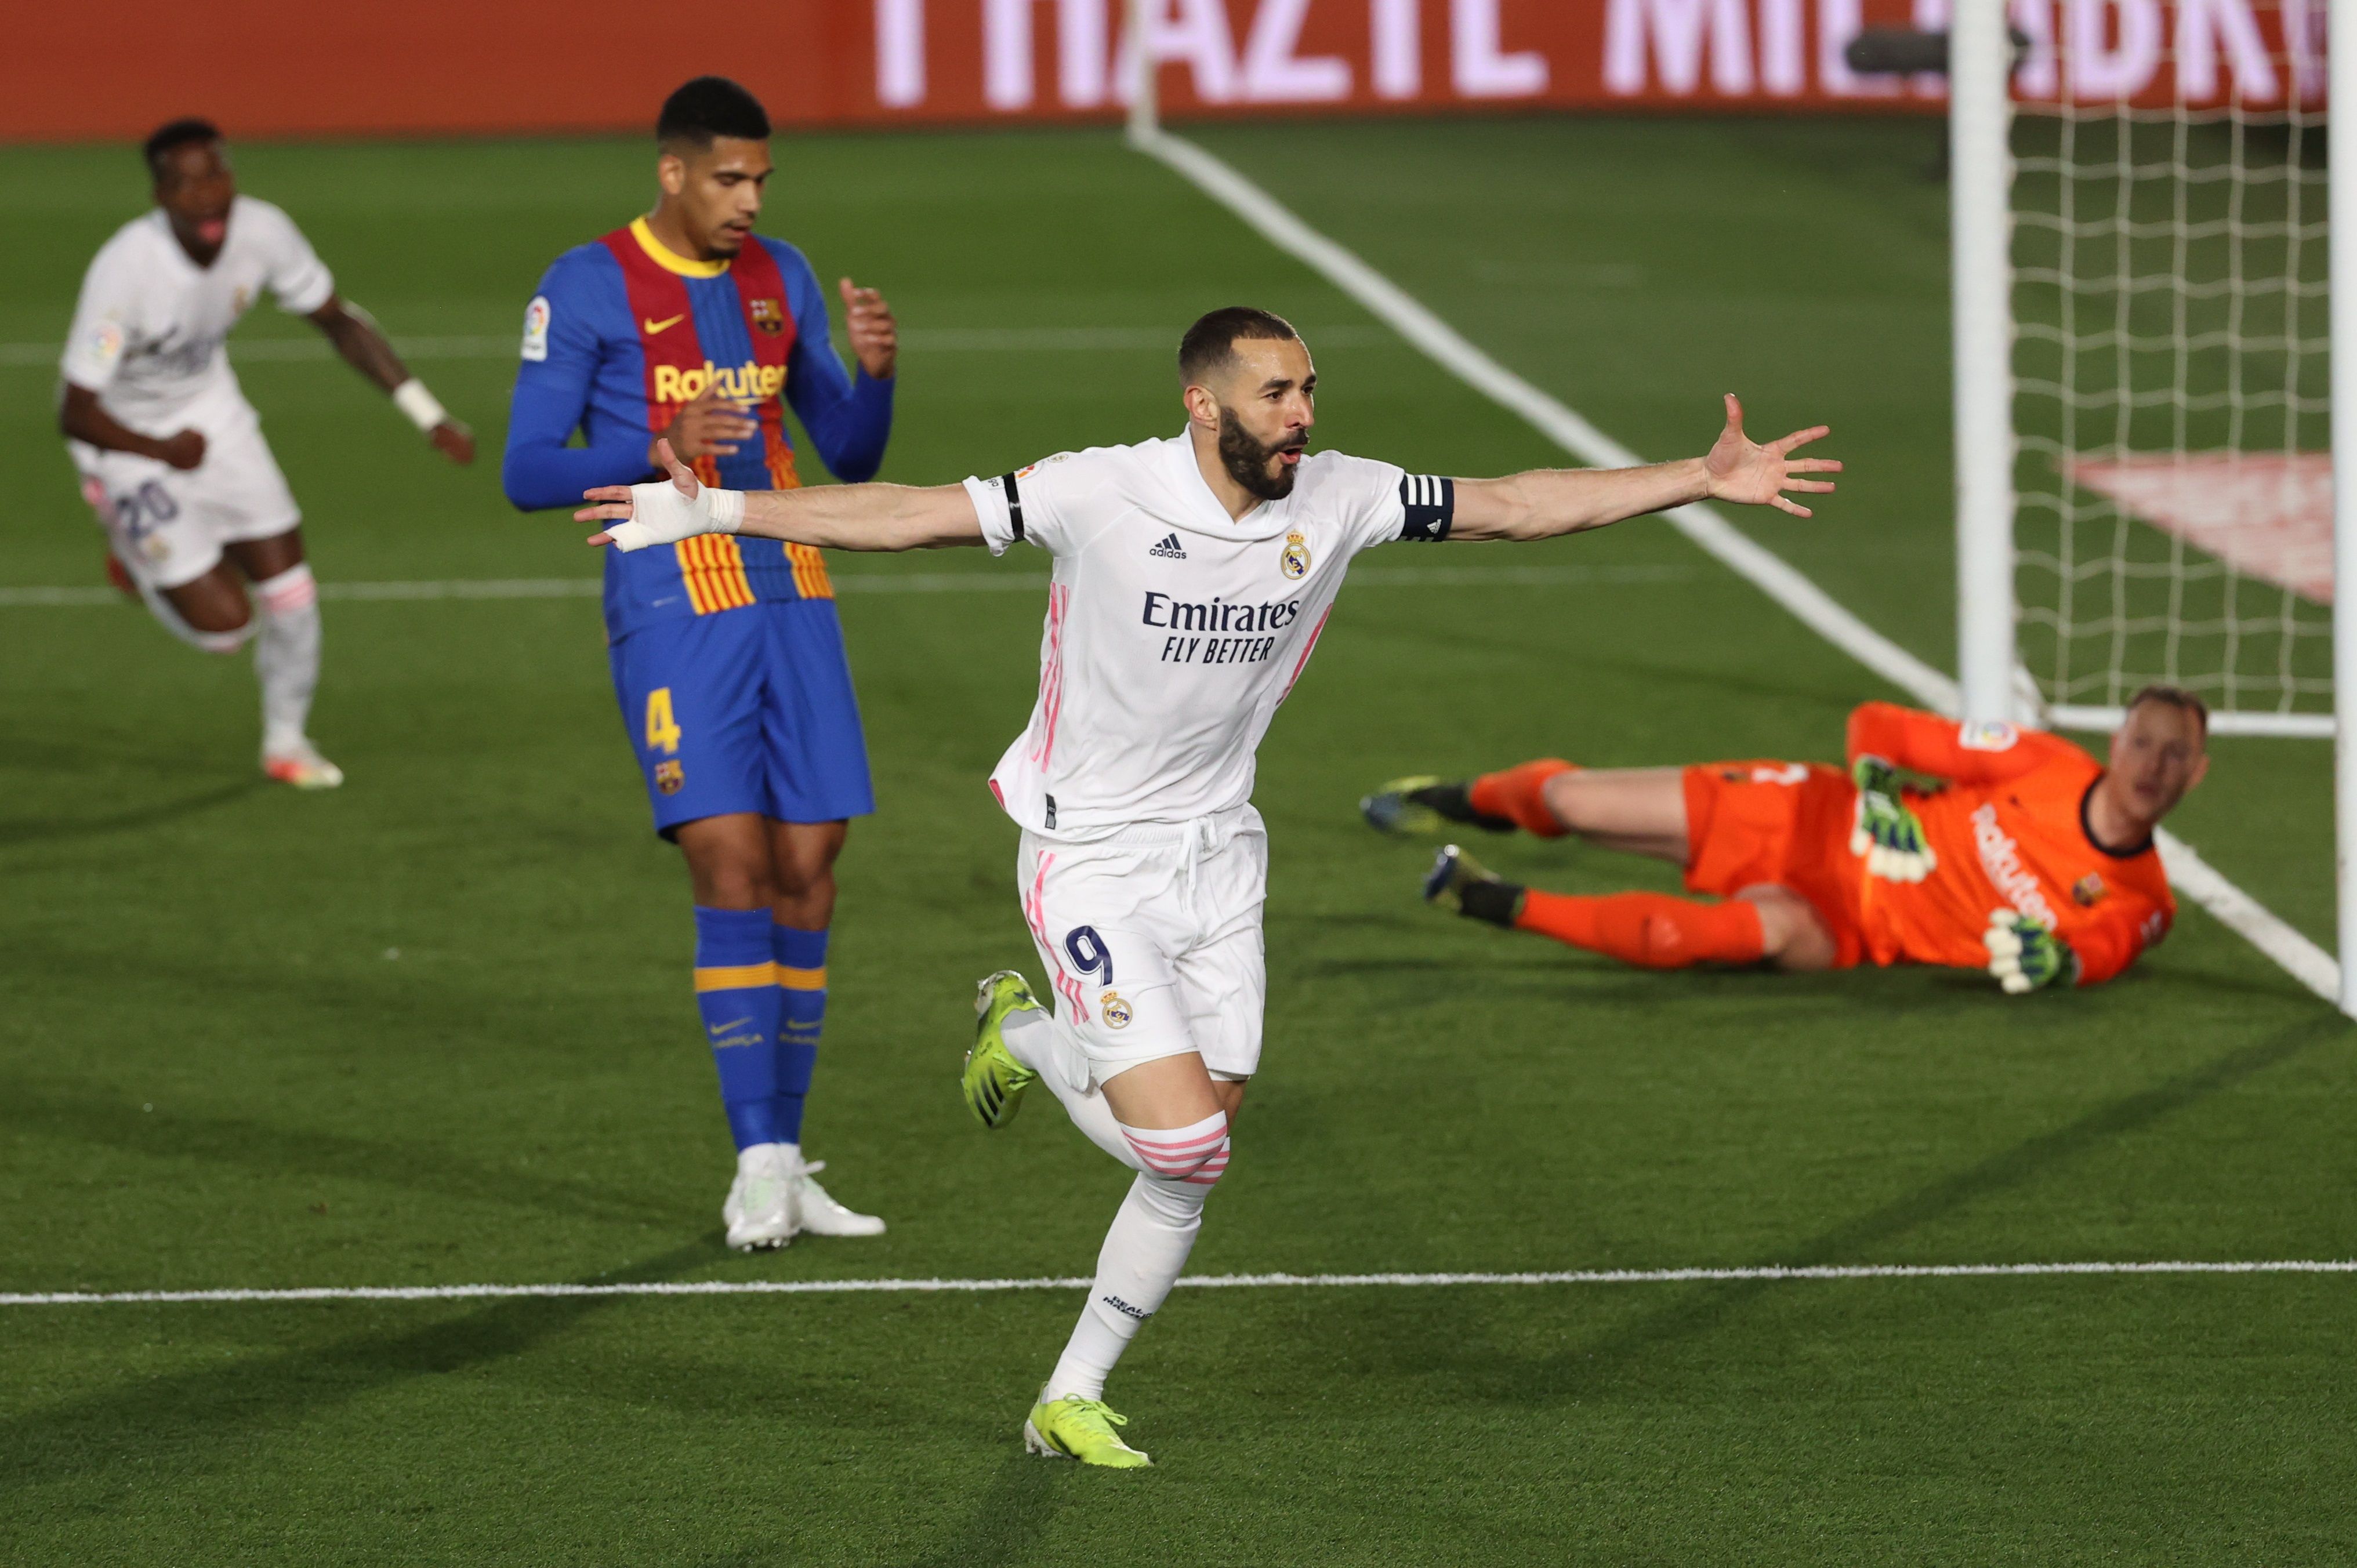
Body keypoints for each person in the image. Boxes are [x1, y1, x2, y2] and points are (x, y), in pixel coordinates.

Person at [575, 305, 1836, 1463]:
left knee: (1192, 1151)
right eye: (1277, 394)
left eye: (1309, 390)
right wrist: (717, 509)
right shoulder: (1100, 490)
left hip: (1220, 854)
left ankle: (1063, 1363)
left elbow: (1515, 503)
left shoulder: (1341, 496)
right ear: (1202, 402)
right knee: (1183, 1140)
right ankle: (1041, 1089)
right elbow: (908, 512)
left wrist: (1697, 476)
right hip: (1088, 855)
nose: (1303, 415)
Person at [501, 78, 898, 1251]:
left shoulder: (783, 276)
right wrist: (652, 445)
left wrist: (876, 374)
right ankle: (755, 1159)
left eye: (761, 179)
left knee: (809, 864)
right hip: (673, 596)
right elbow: (527, 467)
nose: (750, 199)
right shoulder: (587, 283)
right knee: (729, 861)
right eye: (729, 178)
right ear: (672, 172)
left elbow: (849, 450)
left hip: (792, 580)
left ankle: (788, 1155)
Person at [59, 117, 474, 789]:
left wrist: (429, 416)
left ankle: (286, 742)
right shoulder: (125, 270)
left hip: (213, 417)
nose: (207, 196)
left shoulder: (263, 231)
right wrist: (162, 449)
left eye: (216, 176)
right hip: (123, 438)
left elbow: (338, 321)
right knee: (226, 630)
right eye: (186, 184)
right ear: (160, 196)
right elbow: (75, 412)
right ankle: (131, 551)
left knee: (292, 594)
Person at [1365, 691, 2204, 992]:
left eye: (2175, 755)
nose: (2152, 767)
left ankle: (1490, 899)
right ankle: (1462, 800)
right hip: (1810, 813)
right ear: (2117, 741)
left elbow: (2104, 948)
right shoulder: (2044, 764)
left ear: (2195, 774)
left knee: (1700, 935)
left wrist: (2061, 964)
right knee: (1569, 799)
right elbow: (1880, 724)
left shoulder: (2144, 901)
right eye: (2143, 743)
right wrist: (1878, 790)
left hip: (1847, 927)